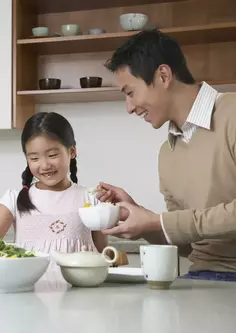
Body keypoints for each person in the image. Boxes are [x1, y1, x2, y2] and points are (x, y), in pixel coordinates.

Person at [97, 29, 236, 281]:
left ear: (163, 75)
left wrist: (157, 221)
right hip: (201, 277)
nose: (129, 108)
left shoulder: (233, 114)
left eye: (130, 93)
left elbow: (181, 225)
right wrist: (140, 218)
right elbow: (185, 243)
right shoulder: (167, 152)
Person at [0, 112, 110, 255]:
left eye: (52, 155)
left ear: (72, 151)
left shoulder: (91, 199)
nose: (45, 165)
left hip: (80, 281)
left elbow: (103, 254)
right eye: (34, 158)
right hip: (29, 281)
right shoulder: (14, 199)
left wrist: (107, 212)